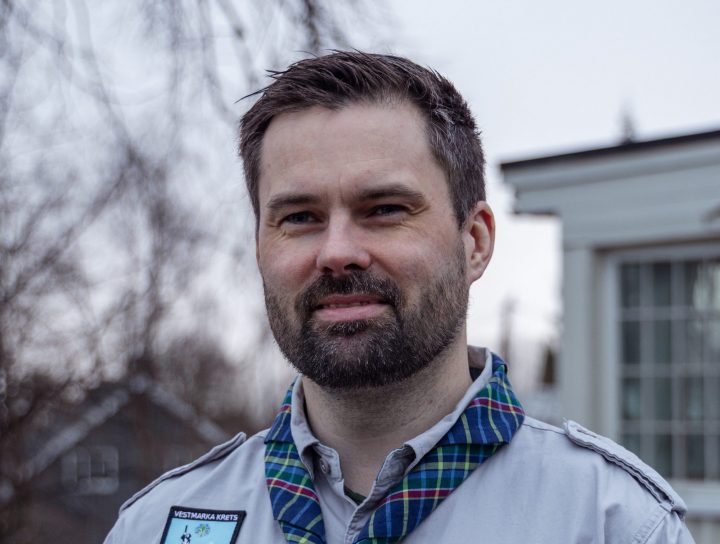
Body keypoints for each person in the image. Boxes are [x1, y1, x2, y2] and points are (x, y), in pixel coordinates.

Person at [105, 51, 693, 544]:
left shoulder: (612, 524)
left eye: (384, 209)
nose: (337, 252)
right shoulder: (156, 526)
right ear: (259, 248)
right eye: (300, 217)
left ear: (475, 242)